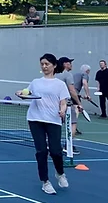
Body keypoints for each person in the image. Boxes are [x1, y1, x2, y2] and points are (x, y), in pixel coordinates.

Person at [18, 53, 70, 195]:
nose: (44, 66)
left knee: (56, 151)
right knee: (41, 151)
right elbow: (26, 94)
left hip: (53, 120)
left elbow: (63, 102)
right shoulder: (36, 82)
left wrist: (62, 111)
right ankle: (45, 182)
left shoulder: (60, 85)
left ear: (54, 65)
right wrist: (20, 94)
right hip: (35, 119)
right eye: (42, 64)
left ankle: (60, 173)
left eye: (47, 64)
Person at [54, 56, 82, 154]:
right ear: (65, 64)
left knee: (54, 124)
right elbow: (72, 90)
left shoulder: (53, 74)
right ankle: (68, 145)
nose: (71, 64)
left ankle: (51, 144)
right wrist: (79, 103)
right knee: (72, 123)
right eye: (69, 62)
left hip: (54, 103)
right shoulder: (68, 75)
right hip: (66, 103)